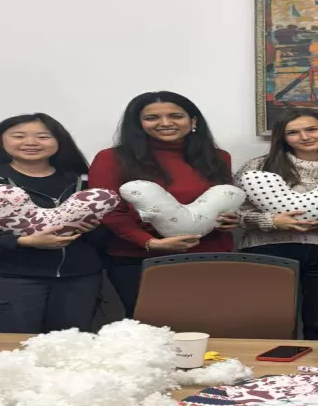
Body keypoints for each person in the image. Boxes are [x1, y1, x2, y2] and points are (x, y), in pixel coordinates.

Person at [0, 113, 107, 334]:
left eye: (43, 137)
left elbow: (110, 230)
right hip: (10, 279)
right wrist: (21, 242)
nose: (31, 143)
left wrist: (93, 230)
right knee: (12, 349)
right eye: (18, 136)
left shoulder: (83, 180)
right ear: (1, 141)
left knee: (71, 349)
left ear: (59, 141)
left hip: (79, 279)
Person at [88, 91, 236, 314]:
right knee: (153, 329)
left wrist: (230, 219)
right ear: (138, 123)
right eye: (152, 118)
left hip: (210, 256)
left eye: (176, 116)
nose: (165, 123)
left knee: (210, 324)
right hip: (139, 260)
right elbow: (108, 211)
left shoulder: (218, 157)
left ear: (193, 121)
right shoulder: (111, 158)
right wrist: (149, 242)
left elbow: (224, 198)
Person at [236, 110, 318, 339]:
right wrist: (271, 220)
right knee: (268, 321)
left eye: (311, 129)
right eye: (293, 132)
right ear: (282, 137)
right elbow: (232, 213)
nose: (304, 137)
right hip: (267, 253)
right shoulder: (258, 167)